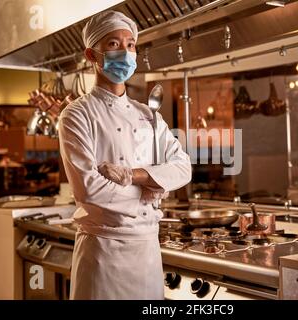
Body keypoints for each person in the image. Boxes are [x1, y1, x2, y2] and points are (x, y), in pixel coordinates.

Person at [58, 10, 192, 300]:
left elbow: (183, 167)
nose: (126, 52)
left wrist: (136, 176)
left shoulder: (148, 115)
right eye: (113, 44)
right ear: (92, 55)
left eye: (130, 45)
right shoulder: (76, 115)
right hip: (103, 254)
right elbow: (88, 189)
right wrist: (152, 189)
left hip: (147, 252)